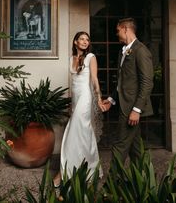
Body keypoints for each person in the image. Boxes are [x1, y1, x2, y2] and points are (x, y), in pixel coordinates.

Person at [53, 31, 106, 187]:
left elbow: (94, 79)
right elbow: (73, 84)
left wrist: (98, 98)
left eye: (87, 40)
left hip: (86, 97)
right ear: (75, 42)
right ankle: (90, 168)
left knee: (73, 131)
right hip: (76, 99)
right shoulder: (71, 59)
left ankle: (63, 173)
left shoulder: (91, 57)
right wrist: (71, 104)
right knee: (84, 133)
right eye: (81, 39)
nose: (85, 41)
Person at [103, 17, 154, 165]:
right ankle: (143, 183)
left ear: (125, 29)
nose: (116, 34)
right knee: (135, 148)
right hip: (125, 104)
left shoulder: (141, 51)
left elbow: (147, 83)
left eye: (117, 30)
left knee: (120, 145)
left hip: (131, 107)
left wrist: (137, 109)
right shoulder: (123, 51)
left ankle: (111, 186)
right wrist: (112, 99)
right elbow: (123, 81)